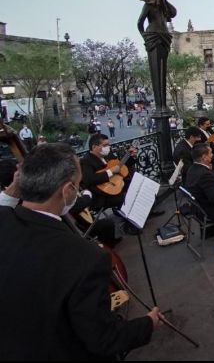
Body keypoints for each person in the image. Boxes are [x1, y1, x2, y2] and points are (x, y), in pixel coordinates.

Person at [0, 143, 161, 359]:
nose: (77, 189)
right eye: (76, 185)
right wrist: (148, 323)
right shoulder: (86, 258)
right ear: (66, 190)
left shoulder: (4, 219)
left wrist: (14, 189)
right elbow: (104, 338)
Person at [80, 134, 137, 210]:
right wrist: (111, 171)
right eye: (105, 145)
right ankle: (125, 212)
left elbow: (120, 165)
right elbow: (89, 180)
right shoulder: (86, 161)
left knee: (136, 188)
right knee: (128, 196)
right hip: (101, 196)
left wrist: (131, 156)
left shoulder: (108, 154)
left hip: (116, 186)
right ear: (94, 147)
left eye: (108, 145)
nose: (108, 147)